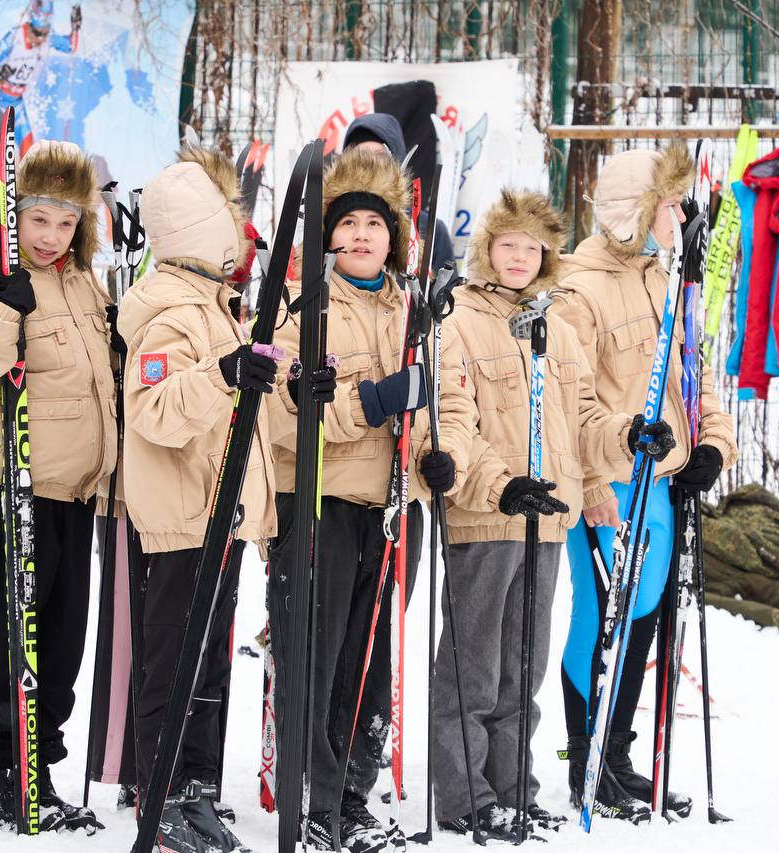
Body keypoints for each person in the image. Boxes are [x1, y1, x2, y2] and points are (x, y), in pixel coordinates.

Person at [554, 142, 738, 823]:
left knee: (643, 617)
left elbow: (693, 370)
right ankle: (587, 755)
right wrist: (596, 479)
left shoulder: (665, 279)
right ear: (633, 211)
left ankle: (620, 754)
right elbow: (569, 400)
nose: (681, 214)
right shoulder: (580, 287)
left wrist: (710, 444)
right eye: (670, 204)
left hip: (660, 483)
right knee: (601, 614)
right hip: (608, 483)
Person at [424, 189, 614, 839]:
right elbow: (451, 423)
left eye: (532, 247)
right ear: (487, 249)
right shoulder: (459, 321)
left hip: (546, 518)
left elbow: (584, 418)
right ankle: (462, 789)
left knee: (524, 667)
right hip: (487, 513)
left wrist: (623, 441)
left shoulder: (556, 327)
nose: (519, 256)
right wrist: (497, 484)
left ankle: (512, 784)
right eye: (508, 244)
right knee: (473, 665)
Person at [0, 139, 113, 835]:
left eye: (66, 223)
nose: (52, 237)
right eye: (39, 220)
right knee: (7, 633)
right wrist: (0, 313)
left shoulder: (84, 282)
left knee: (61, 644)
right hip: (16, 482)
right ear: (14, 219)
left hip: (77, 492)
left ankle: (36, 769)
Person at [116, 145, 278, 852]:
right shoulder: (169, 310)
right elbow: (156, 409)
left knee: (209, 660)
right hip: (185, 516)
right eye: (231, 220)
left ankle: (198, 786)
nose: (239, 236)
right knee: (177, 658)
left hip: (218, 512)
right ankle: (164, 789)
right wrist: (224, 372)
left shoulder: (210, 303)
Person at [267, 148, 427, 853]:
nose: (362, 235)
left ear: (394, 236)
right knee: (319, 655)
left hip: (387, 508)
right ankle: (315, 798)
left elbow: (430, 411)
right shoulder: (304, 307)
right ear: (327, 235)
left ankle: (353, 796)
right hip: (322, 502)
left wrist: (431, 456)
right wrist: (367, 401)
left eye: (375, 223)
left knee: (369, 661)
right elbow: (284, 410)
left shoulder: (410, 312)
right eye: (348, 223)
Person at [0, 0, 81, 156]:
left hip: (15, 103)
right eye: (37, 34)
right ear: (30, 25)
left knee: (28, 146)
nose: (40, 39)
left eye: (45, 33)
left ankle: (27, 179)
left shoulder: (47, 38)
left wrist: (75, 27)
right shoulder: (15, 36)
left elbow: (70, 46)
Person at [342, 112, 455, 272]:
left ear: (397, 160)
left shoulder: (430, 229)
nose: (370, 164)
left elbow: (449, 293)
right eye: (361, 156)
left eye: (380, 156)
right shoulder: (330, 223)